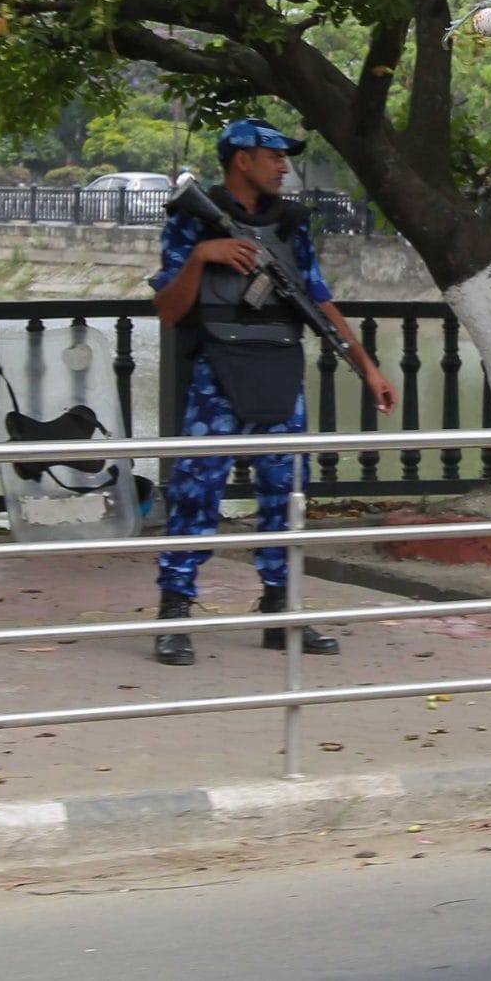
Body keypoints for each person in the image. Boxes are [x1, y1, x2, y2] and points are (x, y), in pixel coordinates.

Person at [148, 118, 398, 666]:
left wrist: (367, 367)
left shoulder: (290, 225)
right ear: (243, 159)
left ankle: (281, 610)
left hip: (279, 369)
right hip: (218, 372)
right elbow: (168, 311)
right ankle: (174, 610)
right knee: (196, 492)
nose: (285, 165)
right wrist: (202, 257)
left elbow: (317, 298)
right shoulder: (193, 220)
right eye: (275, 156)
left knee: (286, 496)